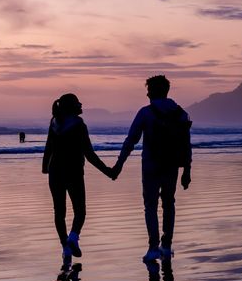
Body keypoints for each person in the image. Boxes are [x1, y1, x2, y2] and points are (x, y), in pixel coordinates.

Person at [112, 75, 192, 262]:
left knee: (150, 206)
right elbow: (186, 144)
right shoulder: (181, 113)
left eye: (149, 89)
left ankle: (153, 247)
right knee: (169, 203)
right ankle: (167, 244)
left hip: (151, 165)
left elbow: (131, 140)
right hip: (172, 165)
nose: (147, 93)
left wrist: (119, 165)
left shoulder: (145, 113)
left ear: (154, 91)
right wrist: (187, 170)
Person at [42, 93, 114, 265]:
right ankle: (73, 237)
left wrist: (45, 167)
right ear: (72, 107)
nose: (81, 104)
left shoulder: (54, 122)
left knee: (59, 212)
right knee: (80, 211)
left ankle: (65, 248)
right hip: (73, 172)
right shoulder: (79, 125)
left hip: (55, 172)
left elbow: (48, 148)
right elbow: (89, 154)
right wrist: (107, 171)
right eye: (78, 102)